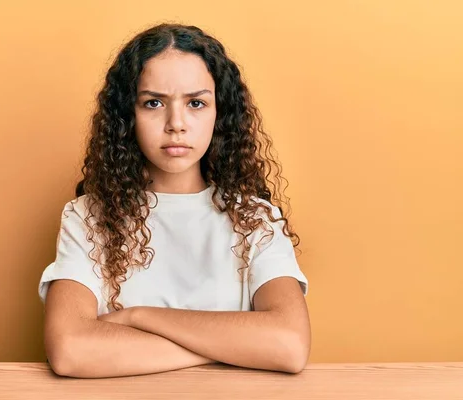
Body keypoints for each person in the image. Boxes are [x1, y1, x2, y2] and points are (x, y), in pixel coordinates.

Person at [38, 23, 310, 379]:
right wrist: (232, 347)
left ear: (220, 112)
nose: (176, 123)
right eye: (153, 103)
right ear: (127, 116)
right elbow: (71, 350)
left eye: (196, 103)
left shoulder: (255, 219)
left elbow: (289, 345)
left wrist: (139, 317)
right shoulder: (88, 217)